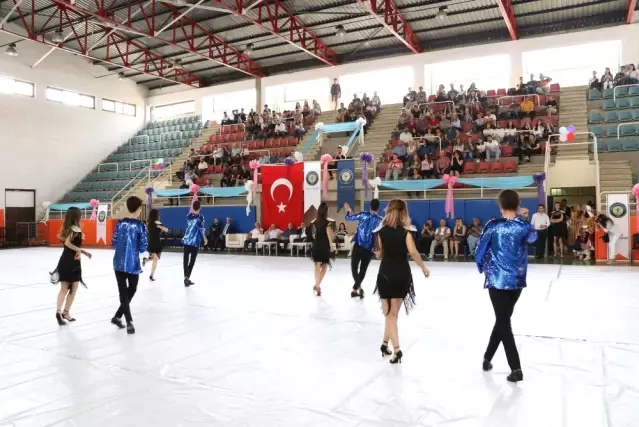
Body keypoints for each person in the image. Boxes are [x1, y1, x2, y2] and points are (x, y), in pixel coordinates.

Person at [475, 189, 537, 382]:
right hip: (517, 281)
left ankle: (516, 368)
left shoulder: (493, 226)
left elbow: (479, 250)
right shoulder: (524, 227)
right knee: (502, 320)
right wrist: (524, 219)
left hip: (496, 280)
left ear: (500, 205)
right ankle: (487, 359)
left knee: (503, 322)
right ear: (517, 205)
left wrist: (482, 266)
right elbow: (534, 238)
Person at [373, 199, 430, 364]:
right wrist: (424, 268)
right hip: (402, 274)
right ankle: (385, 344)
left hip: (386, 275)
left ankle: (396, 350)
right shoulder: (407, 232)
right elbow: (413, 251)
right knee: (393, 315)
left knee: (389, 314)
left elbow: (378, 255)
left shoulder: (381, 232)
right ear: (404, 212)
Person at [49, 207, 92, 326]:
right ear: (77, 217)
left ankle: (59, 312)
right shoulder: (75, 229)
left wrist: (79, 251)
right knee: (73, 289)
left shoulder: (66, 229)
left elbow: (63, 240)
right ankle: (65, 312)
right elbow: (68, 243)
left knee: (63, 288)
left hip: (64, 260)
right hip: (73, 262)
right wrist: (81, 251)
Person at [111, 196, 147, 334]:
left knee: (123, 291)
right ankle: (129, 321)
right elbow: (143, 245)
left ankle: (118, 316)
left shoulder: (120, 223)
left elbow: (114, 241)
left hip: (118, 262)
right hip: (132, 264)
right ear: (138, 209)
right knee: (131, 289)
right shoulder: (140, 225)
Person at [344, 199, 383, 299]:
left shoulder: (363, 214)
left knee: (354, 267)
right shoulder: (381, 220)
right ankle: (356, 289)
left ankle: (357, 288)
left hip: (359, 245)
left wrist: (348, 210)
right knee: (363, 269)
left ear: (370, 206)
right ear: (378, 208)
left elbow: (348, 218)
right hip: (370, 249)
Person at [311, 202, 336, 296]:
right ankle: (317, 285)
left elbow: (315, 234)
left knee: (317, 265)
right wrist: (332, 245)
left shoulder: (315, 222)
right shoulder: (328, 223)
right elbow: (329, 235)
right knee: (324, 266)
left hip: (316, 244)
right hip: (324, 246)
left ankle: (317, 285)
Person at [183, 201, 207, 287]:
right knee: (192, 261)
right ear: (200, 208)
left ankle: (186, 277)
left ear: (193, 207)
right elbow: (201, 229)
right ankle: (187, 278)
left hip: (186, 240)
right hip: (195, 242)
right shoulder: (201, 217)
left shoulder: (189, 216)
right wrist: (204, 238)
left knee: (185, 260)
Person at [142, 209, 168, 281]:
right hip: (156, 242)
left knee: (155, 258)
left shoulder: (149, 223)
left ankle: (147, 261)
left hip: (150, 241)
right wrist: (161, 227)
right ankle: (151, 275)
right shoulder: (157, 222)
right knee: (156, 259)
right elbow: (166, 230)